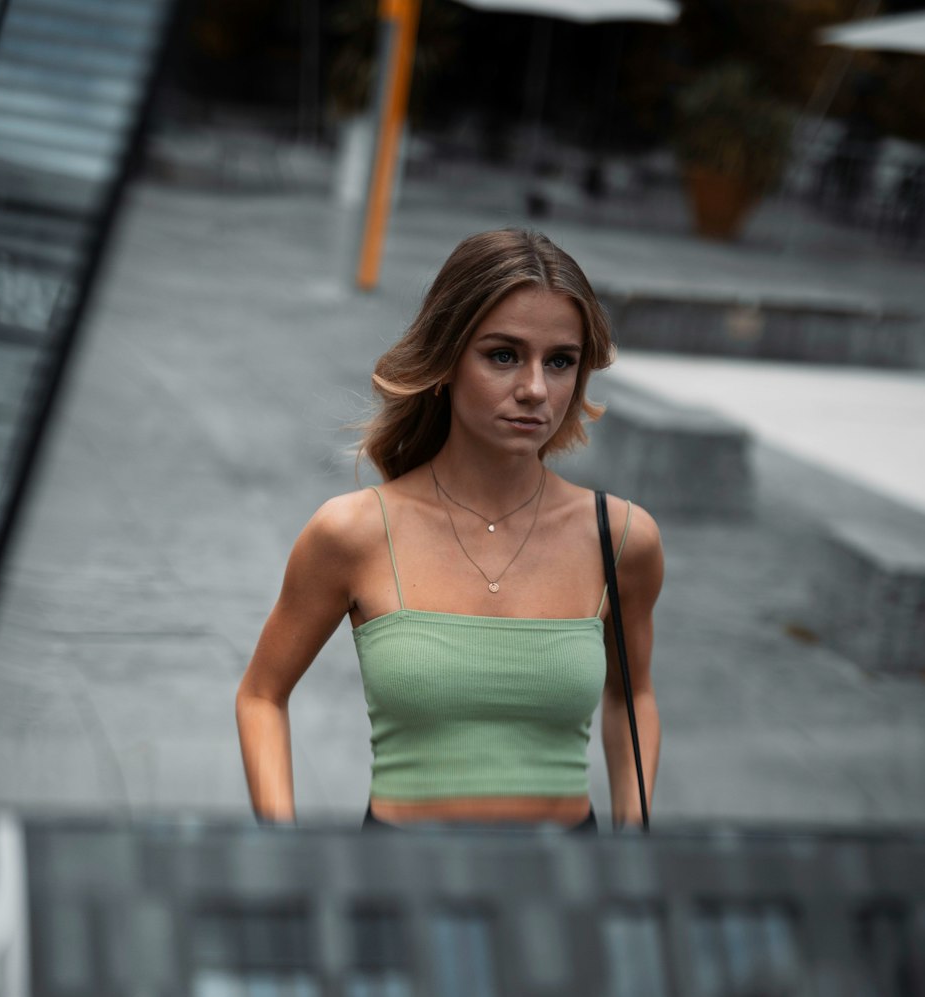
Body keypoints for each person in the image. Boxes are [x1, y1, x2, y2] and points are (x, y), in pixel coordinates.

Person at [236, 229, 662, 830]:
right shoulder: (352, 533)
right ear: (444, 362)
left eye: (560, 361)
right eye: (504, 355)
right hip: (397, 886)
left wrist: (636, 848)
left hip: (564, 889)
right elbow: (260, 695)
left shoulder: (619, 538)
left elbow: (632, 696)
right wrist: (288, 852)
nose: (535, 389)